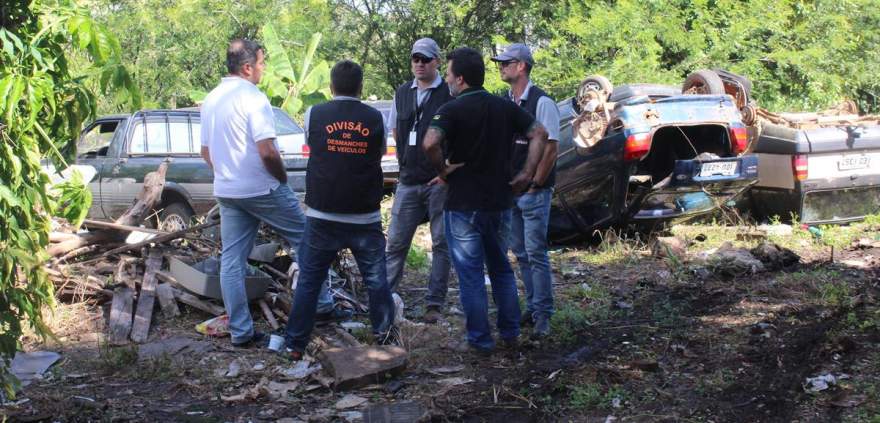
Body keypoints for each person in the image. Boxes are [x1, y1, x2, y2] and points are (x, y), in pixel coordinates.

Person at [200, 39, 348, 348]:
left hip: (228, 190)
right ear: (247, 67)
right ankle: (321, 306)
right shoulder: (253, 98)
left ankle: (241, 332)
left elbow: (205, 151)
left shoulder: (212, 98)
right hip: (262, 187)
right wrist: (281, 179)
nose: (264, 69)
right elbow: (267, 151)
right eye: (262, 63)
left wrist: (228, 175)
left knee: (232, 260)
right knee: (308, 239)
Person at [422, 47, 548, 355]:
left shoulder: (451, 109)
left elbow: (430, 142)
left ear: (460, 79)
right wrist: (527, 173)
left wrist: (443, 169)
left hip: (463, 205)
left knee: (471, 275)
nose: (448, 80)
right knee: (502, 269)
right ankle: (510, 333)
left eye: (449, 74)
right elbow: (540, 133)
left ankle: (480, 340)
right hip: (499, 202)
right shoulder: (503, 106)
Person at [285, 60, 396, 360]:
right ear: (361, 87)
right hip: (364, 216)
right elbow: (379, 153)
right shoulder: (375, 118)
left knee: (309, 280)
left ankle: (295, 344)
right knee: (375, 281)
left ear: (331, 86)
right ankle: (385, 339)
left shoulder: (314, 114)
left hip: (323, 214)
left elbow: (312, 146)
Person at [491, 43, 560, 339]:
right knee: (521, 253)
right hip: (513, 191)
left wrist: (534, 183)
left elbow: (552, 147)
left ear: (521, 66)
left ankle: (543, 313)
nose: (501, 67)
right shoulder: (507, 101)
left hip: (533, 191)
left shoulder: (542, 101)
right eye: (500, 62)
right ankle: (533, 307)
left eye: (506, 62)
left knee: (535, 252)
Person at [385, 38, 455, 323]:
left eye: (425, 59)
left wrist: (446, 171)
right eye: (415, 58)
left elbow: (461, 135)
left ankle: (434, 305)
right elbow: (395, 130)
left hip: (438, 181)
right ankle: (384, 300)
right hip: (408, 179)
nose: (419, 64)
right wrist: (404, 163)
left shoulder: (449, 93)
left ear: (437, 61)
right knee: (396, 243)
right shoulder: (402, 92)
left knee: (441, 244)